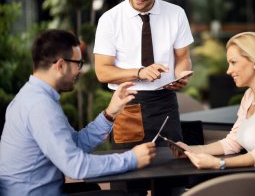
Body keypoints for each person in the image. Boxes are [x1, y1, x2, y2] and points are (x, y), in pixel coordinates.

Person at [0, 30, 156, 196]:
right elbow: (76, 166)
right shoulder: (40, 106)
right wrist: (131, 159)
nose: (79, 71)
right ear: (60, 65)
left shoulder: (33, 96)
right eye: (78, 63)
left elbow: (74, 145)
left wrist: (110, 113)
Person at [173, 32, 255, 193]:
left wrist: (218, 163)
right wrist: (192, 150)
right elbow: (233, 142)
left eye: (233, 62)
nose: (228, 70)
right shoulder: (249, 96)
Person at [93, 0, 193, 149]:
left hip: (165, 103)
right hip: (126, 103)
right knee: (128, 175)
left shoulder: (176, 14)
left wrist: (181, 75)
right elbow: (102, 72)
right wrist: (139, 73)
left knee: (172, 172)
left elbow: (183, 58)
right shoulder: (109, 19)